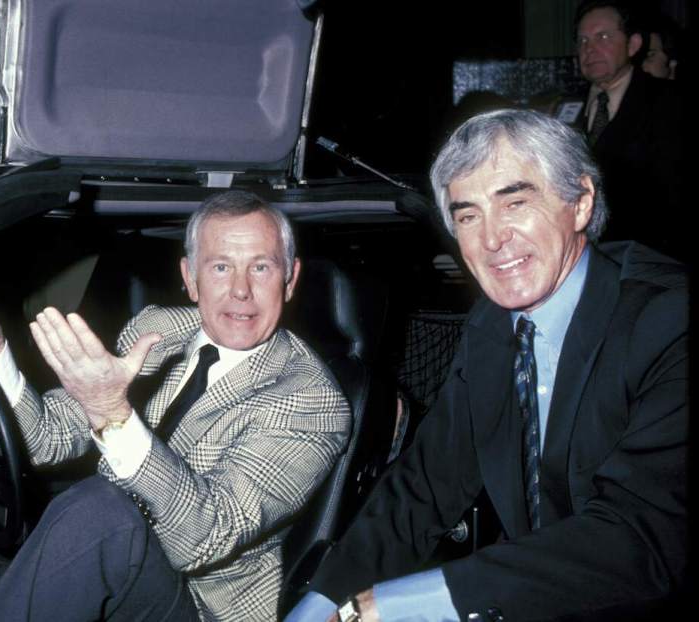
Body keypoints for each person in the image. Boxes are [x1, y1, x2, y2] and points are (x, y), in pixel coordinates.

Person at [0, 190, 351, 621]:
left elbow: (206, 537)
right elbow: (49, 437)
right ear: (189, 278)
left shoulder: (311, 399)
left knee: (100, 508)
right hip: (105, 562)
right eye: (220, 268)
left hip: (196, 605)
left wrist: (113, 415)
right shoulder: (161, 329)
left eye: (261, 268)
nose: (240, 291)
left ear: (290, 278)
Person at [286, 109, 687, 621]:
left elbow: (640, 536)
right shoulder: (494, 325)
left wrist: (389, 606)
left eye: (515, 203)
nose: (492, 240)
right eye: (468, 216)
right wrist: (318, 605)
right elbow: (422, 489)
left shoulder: (669, 321)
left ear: (581, 202)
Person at [573, 0, 685, 258]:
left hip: (650, 259)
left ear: (633, 45)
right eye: (583, 41)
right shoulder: (565, 106)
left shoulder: (669, 102)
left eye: (603, 37)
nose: (590, 49)